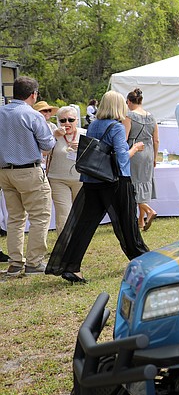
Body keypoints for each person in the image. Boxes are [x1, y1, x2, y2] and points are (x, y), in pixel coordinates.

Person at [46, 90, 147, 283]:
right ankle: (142, 259)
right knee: (127, 223)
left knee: (84, 225)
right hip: (115, 181)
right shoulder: (116, 127)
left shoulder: (93, 125)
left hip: (92, 179)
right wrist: (134, 148)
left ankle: (71, 266)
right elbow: (121, 156)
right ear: (119, 106)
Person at [0, 77, 55, 276]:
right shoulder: (32, 115)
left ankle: (15, 262)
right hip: (28, 170)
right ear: (33, 95)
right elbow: (48, 145)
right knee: (40, 217)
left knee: (15, 218)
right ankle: (34, 262)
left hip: (5, 172)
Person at [46, 106, 85, 235]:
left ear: (77, 120)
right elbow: (44, 152)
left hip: (80, 179)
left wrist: (83, 148)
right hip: (58, 179)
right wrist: (55, 137)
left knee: (81, 212)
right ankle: (64, 246)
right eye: (63, 120)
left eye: (70, 120)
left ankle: (78, 243)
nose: (67, 123)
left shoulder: (84, 134)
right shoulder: (53, 134)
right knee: (63, 213)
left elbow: (95, 155)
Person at [125, 88, 159, 230]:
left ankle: (149, 211)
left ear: (128, 102)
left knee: (134, 185)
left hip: (135, 151)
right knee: (144, 183)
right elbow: (156, 140)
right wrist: (155, 157)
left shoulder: (129, 116)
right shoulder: (152, 117)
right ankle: (141, 220)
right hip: (149, 152)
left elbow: (125, 137)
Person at [32, 101, 59, 167]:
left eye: (49, 110)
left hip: (51, 159)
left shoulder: (53, 126)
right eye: (45, 111)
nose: (48, 113)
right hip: (37, 160)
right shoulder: (33, 126)